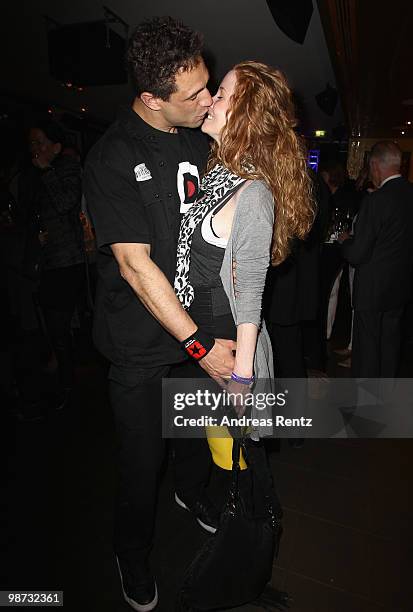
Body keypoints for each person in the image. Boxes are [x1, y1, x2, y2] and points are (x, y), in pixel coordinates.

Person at [83, 17, 236, 612]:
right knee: (141, 465)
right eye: (193, 94)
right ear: (150, 99)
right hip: (140, 346)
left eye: (207, 84)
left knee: (195, 438)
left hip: (193, 333)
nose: (207, 98)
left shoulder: (200, 138)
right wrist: (201, 345)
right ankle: (131, 551)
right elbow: (136, 268)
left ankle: (192, 494)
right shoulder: (112, 157)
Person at [174, 61, 314, 473]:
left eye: (220, 94)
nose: (209, 101)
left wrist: (241, 378)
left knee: (231, 465)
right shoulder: (217, 173)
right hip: (195, 335)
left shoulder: (252, 193)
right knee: (205, 454)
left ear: (246, 114)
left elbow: (250, 296)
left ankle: (240, 531)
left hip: (222, 342)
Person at [338, 141, 413, 377]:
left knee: (367, 347)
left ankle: (368, 401)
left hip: (372, 288)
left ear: (374, 165)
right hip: (400, 285)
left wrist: (345, 241)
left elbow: (358, 253)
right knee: (390, 343)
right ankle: (388, 395)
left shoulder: (376, 201)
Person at [28, 120, 85, 408]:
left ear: (56, 146)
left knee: (60, 327)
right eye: (32, 144)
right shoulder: (33, 177)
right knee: (53, 326)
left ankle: (68, 387)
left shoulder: (66, 169)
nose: (34, 149)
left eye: (40, 142)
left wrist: (46, 171)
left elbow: (66, 202)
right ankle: (64, 376)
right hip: (47, 261)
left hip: (68, 261)